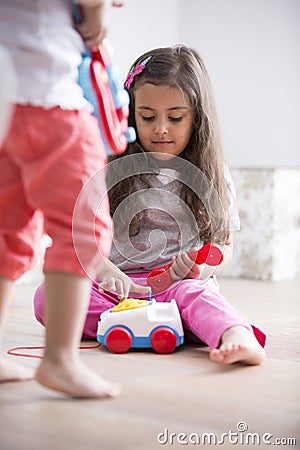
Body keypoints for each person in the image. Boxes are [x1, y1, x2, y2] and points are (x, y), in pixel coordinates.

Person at [34, 45, 266, 365]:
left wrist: (201, 266)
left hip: (178, 288)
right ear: (130, 113)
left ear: (196, 119)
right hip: (118, 290)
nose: (160, 128)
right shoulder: (107, 167)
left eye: (175, 118)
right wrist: (103, 269)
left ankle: (235, 334)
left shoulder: (211, 174)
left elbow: (222, 245)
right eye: (147, 116)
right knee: (46, 298)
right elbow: (83, 236)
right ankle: (154, 323)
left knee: (197, 297)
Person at [0, 0, 148, 399]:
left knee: (7, 226)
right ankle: (60, 359)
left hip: (4, 100)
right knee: (85, 224)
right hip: (49, 94)